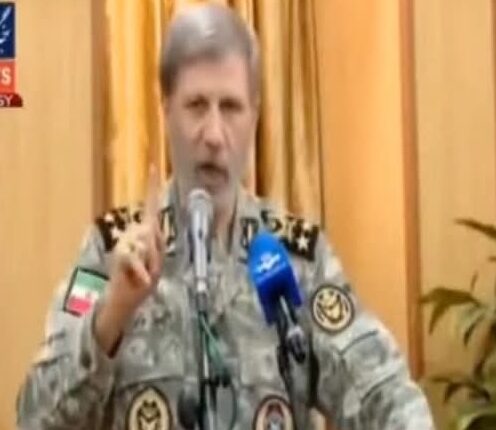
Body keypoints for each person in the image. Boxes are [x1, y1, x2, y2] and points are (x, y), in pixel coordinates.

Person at [16, 3, 434, 430]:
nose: (214, 135)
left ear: (254, 116)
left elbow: (383, 392)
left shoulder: (294, 259)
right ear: (166, 111)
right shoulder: (111, 255)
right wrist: (113, 314)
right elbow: (35, 418)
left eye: (231, 107)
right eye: (196, 106)